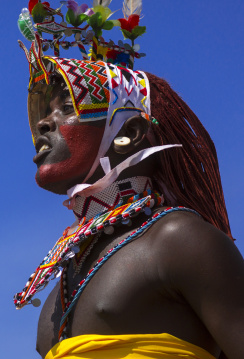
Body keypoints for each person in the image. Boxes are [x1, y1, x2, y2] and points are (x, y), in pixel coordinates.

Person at [14, 5, 244, 358]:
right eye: (45, 111)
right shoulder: (63, 283)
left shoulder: (179, 241)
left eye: (67, 106)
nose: (45, 123)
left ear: (128, 133)